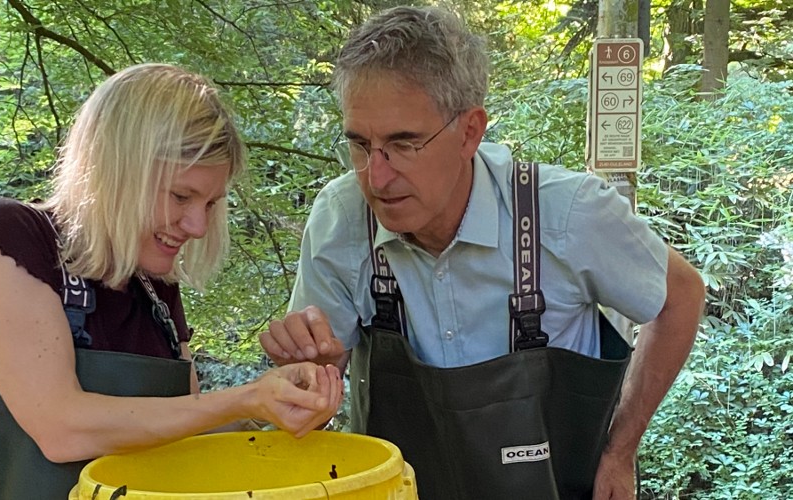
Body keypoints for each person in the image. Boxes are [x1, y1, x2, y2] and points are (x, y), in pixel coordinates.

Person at [259, 6, 705, 500]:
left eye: (403, 144)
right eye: (361, 145)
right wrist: (307, 378)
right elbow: (309, 392)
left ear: (470, 131)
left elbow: (681, 296)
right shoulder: (342, 219)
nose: (376, 177)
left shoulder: (568, 213)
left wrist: (620, 452)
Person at [0, 63, 342, 499]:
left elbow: (193, 434)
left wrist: (285, 402)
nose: (197, 226)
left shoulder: (153, 287)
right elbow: (61, 428)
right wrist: (245, 399)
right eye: (182, 196)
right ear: (118, 168)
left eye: (211, 204)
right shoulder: (14, 237)